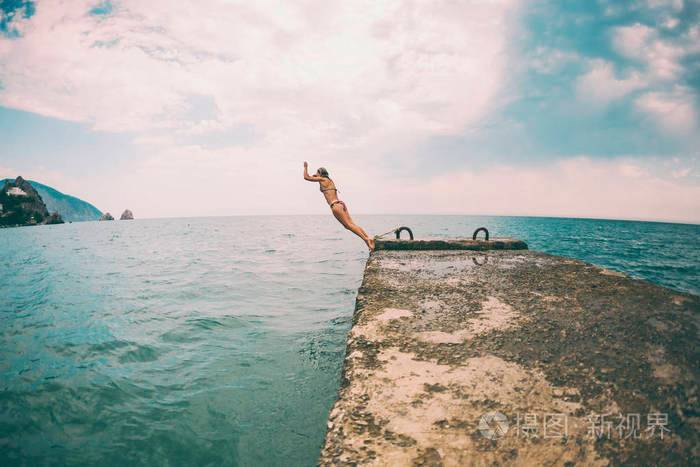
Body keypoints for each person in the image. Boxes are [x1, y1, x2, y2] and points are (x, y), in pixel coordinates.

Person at [303, 161, 374, 251]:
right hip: (340, 204)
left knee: (349, 225)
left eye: (317, 173)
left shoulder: (322, 180)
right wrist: (315, 176)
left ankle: (367, 239)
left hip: (335, 206)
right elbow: (314, 178)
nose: (316, 174)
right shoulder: (328, 180)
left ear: (320, 174)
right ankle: (368, 239)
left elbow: (306, 177)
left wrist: (305, 167)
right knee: (352, 224)